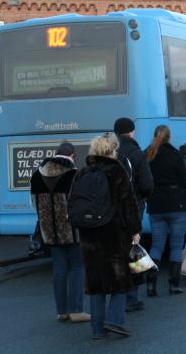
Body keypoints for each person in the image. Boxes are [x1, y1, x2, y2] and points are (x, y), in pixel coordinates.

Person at [80, 133, 142, 339]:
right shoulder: (117, 171)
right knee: (120, 279)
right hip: (115, 232)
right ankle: (114, 321)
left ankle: (97, 330)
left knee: (96, 283)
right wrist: (135, 230)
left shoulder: (83, 173)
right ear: (112, 150)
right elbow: (128, 203)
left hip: (90, 234)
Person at [30, 142, 89, 323]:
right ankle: (77, 310)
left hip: (50, 230)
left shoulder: (37, 176)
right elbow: (81, 202)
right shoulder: (74, 174)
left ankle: (61, 311)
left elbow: (34, 204)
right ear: (72, 156)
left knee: (59, 267)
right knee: (78, 267)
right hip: (73, 229)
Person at [113, 117, 153, 312]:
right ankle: (132, 296)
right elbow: (147, 184)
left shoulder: (111, 152)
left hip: (111, 209)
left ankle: (117, 292)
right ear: (132, 132)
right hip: (134, 205)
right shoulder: (137, 153)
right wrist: (142, 197)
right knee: (133, 247)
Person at [144, 125, 186, 296]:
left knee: (156, 245)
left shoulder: (147, 154)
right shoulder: (175, 155)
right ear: (169, 137)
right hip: (176, 204)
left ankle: (150, 284)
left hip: (156, 205)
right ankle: (174, 284)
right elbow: (185, 181)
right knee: (176, 246)